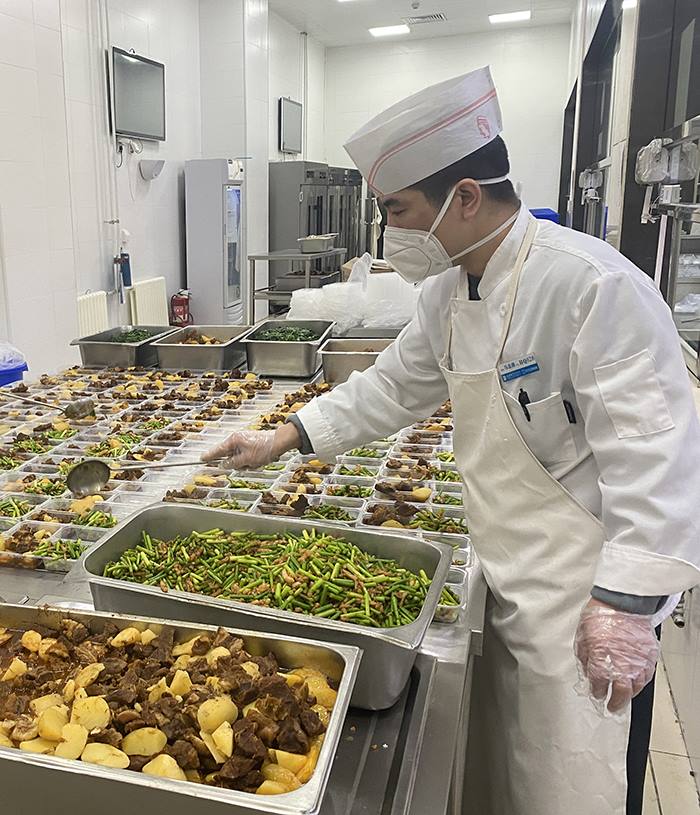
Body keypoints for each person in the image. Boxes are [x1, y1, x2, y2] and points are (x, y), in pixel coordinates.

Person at [204, 67, 700, 814]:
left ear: (465, 197)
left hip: (582, 601)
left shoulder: (593, 286)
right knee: (504, 774)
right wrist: (286, 436)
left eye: (397, 211)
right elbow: (393, 385)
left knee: (571, 785)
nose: (391, 234)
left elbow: (657, 454)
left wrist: (626, 603)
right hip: (500, 577)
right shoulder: (447, 290)